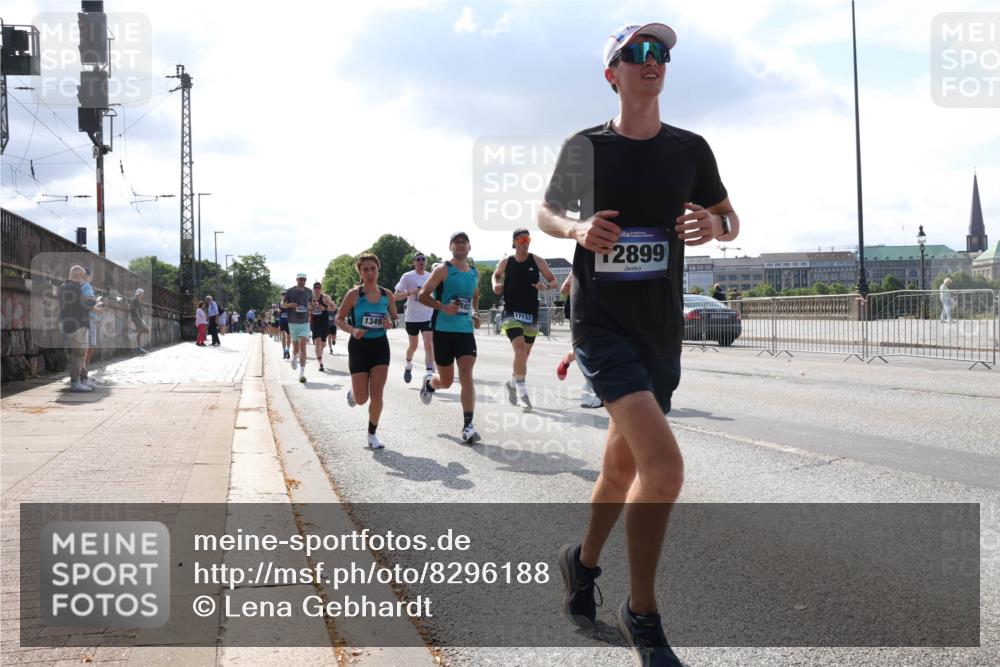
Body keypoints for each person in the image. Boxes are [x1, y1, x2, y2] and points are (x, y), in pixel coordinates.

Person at [539, 22, 739, 666]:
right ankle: (641, 613)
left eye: (661, 54)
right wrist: (578, 227)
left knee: (621, 469)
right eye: (638, 53)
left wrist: (713, 222)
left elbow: (732, 218)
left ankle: (582, 562)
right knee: (665, 467)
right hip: (600, 324)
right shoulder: (587, 147)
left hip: (661, 328)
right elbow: (545, 214)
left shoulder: (691, 149)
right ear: (613, 73)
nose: (654, 61)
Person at [417, 232, 482, 444]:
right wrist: (443, 307)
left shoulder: (474, 273)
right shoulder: (442, 269)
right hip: (443, 330)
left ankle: (468, 425)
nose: (461, 245)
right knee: (445, 381)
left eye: (464, 242)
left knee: (466, 375)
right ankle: (430, 385)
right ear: (451, 247)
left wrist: (474, 313)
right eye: (457, 242)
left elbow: (474, 296)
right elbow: (422, 295)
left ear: (469, 247)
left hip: (465, 331)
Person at [336, 253, 399, 449]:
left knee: (377, 393)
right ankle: (353, 394)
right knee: (362, 399)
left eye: (373, 268)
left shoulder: (387, 294)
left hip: (380, 346)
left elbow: (395, 319)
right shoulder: (354, 294)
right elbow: (339, 319)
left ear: (378, 270)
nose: (370, 273)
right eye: (366, 269)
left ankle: (372, 434)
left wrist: (390, 323)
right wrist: (353, 330)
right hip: (359, 347)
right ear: (360, 272)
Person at [492, 228, 558, 412]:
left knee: (524, 356)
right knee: (520, 349)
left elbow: (554, 282)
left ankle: (512, 383)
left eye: (527, 239)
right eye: (521, 239)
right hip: (511, 311)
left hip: (530, 313)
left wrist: (545, 285)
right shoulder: (507, 262)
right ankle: (523, 394)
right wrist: (495, 285)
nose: (525, 242)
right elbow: (495, 275)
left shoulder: (538, 261)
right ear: (514, 242)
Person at [394, 252, 436, 384]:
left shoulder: (431, 276)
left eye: (423, 259)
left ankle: (429, 373)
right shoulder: (407, 277)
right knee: (413, 346)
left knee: (429, 343)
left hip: (428, 316)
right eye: (418, 259)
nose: (421, 261)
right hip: (412, 318)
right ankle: (408, 365)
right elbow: (395, 296)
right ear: (414, 262)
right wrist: (411, 292)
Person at [59, 265, 99, 392]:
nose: (84, 279)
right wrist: (92, 301)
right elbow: (83, 306)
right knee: (79, 354)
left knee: (81, 354)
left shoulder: (65, 286)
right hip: (77, 326)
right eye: (82, 276)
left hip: (73, 325)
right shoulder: (74, 288)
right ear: (78, 275)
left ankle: (83, 379)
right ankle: (76, 382)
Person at [282, 273, 313, 383]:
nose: (302, 281)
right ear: (296, 280)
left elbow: (311, 304)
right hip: (293, 322)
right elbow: (283, 304)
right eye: (300, 279)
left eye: (304, 279)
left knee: (303, 347)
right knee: (296, 348)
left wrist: (312, 306)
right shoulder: (290, 291)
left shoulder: (309, 291)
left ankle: (302, 373)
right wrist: (290, 305)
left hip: (305, 322)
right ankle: (294, 356)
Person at [79, 267, 102, 387]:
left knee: (86, 348)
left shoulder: (75, 286)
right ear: (87, 275)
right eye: (91, 276)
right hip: (88, 320)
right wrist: (97, 307)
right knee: (87, 348)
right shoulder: (86, 286)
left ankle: (83, 374)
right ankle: (83, 376)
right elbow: (89, 303)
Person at [310, 282, 337, 372]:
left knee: (323, 344)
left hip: (324, 323)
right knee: (317, 342)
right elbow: (307, 309)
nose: (317, 289)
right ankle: (321, 364)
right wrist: (311, 307)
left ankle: (321, 350)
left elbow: (334, 308)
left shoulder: (325, 297)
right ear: (313, 289)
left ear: (320, 289)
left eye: (319, 288)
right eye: (315, 287)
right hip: (315, 323)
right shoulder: (310, 298)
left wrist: (324, 308)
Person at [130, 288, 149, 354]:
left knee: (142, 331)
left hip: (137, 318)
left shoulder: (137, 300)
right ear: (140, 294)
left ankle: (139, 348)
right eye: (142, 293)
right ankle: (139, 348)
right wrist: (140, 319)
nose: (143, 295)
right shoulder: (135, 300)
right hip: (136, 318)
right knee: (147, 330)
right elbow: (135, 310)